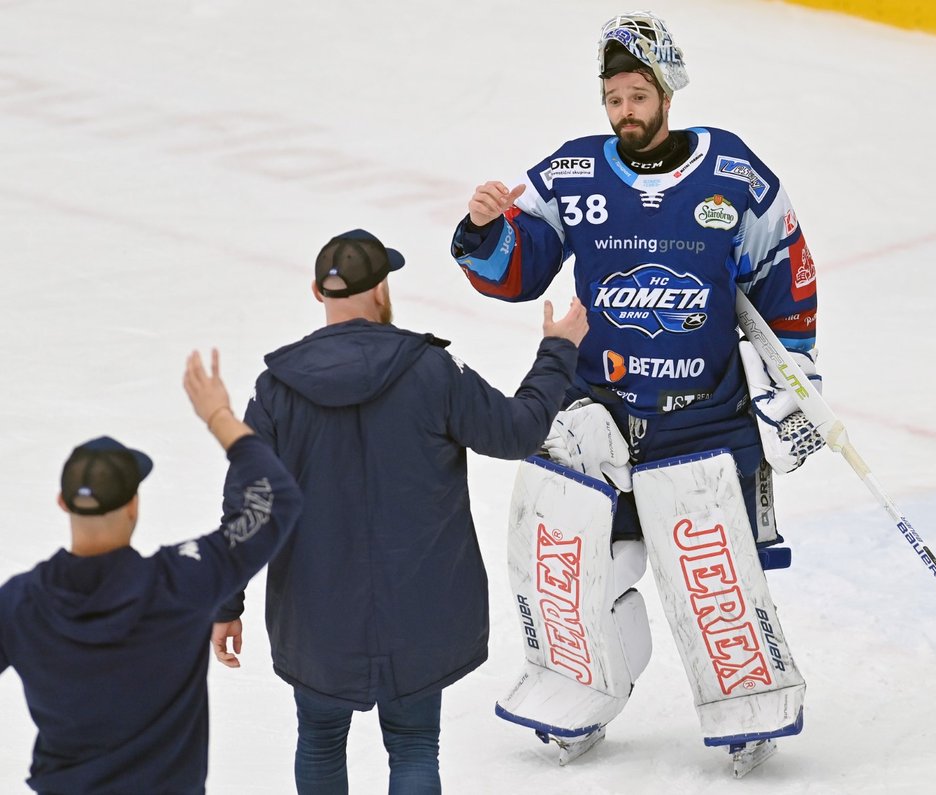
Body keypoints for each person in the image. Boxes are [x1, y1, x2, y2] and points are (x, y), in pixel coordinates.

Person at [449, 10, 824, 775]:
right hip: (602, 417)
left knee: (714, 576)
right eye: (613, 98)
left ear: (667, 91)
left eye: (637, 96)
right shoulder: (576, 173)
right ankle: (578, 697)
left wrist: (799, 373)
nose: (625, 111)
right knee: (583, 570)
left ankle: (743, 704)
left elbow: (785, 273)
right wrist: (486, 230)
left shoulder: (734, 175)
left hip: (707, 418)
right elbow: (517, 271)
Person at [209, 228, 588, 794]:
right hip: (421, 607)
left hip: (317, 614)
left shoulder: (276, 388)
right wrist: (558, 350)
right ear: (382, 288)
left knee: (318, 738)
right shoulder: (432, 370)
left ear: (318, 292)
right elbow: (516, 432)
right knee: (413, 745)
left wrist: (225, 602)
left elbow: (247, 504)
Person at [0, 350, 303, 794]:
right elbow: (274, 499)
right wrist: (218, 416)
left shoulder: (20, 603)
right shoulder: (182, 580)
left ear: (63, 504)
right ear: (133, 504)